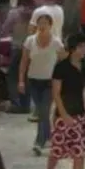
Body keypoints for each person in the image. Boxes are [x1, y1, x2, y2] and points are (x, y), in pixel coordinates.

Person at [46, 34, 85, 169]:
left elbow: (84, 90)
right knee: (57, 150)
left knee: (80, 153)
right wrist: (63, 114)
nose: (84, 50)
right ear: (73, 49)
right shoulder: (61, 67)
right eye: (81, 47)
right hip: (64, 114)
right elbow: (56, 93)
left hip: (79, 114)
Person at [19, 13, 66, 156]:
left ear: (51, 25)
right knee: (41, 111)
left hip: (49, 82)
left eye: (45, 23)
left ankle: (39, 142)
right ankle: (48, 136)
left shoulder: (56, 43)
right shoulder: (30, 41)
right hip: (33, 80)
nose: (42, 26)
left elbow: (64, 63)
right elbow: (24, 61)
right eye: (40, 23)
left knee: (43, 111)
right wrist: (21, 80)